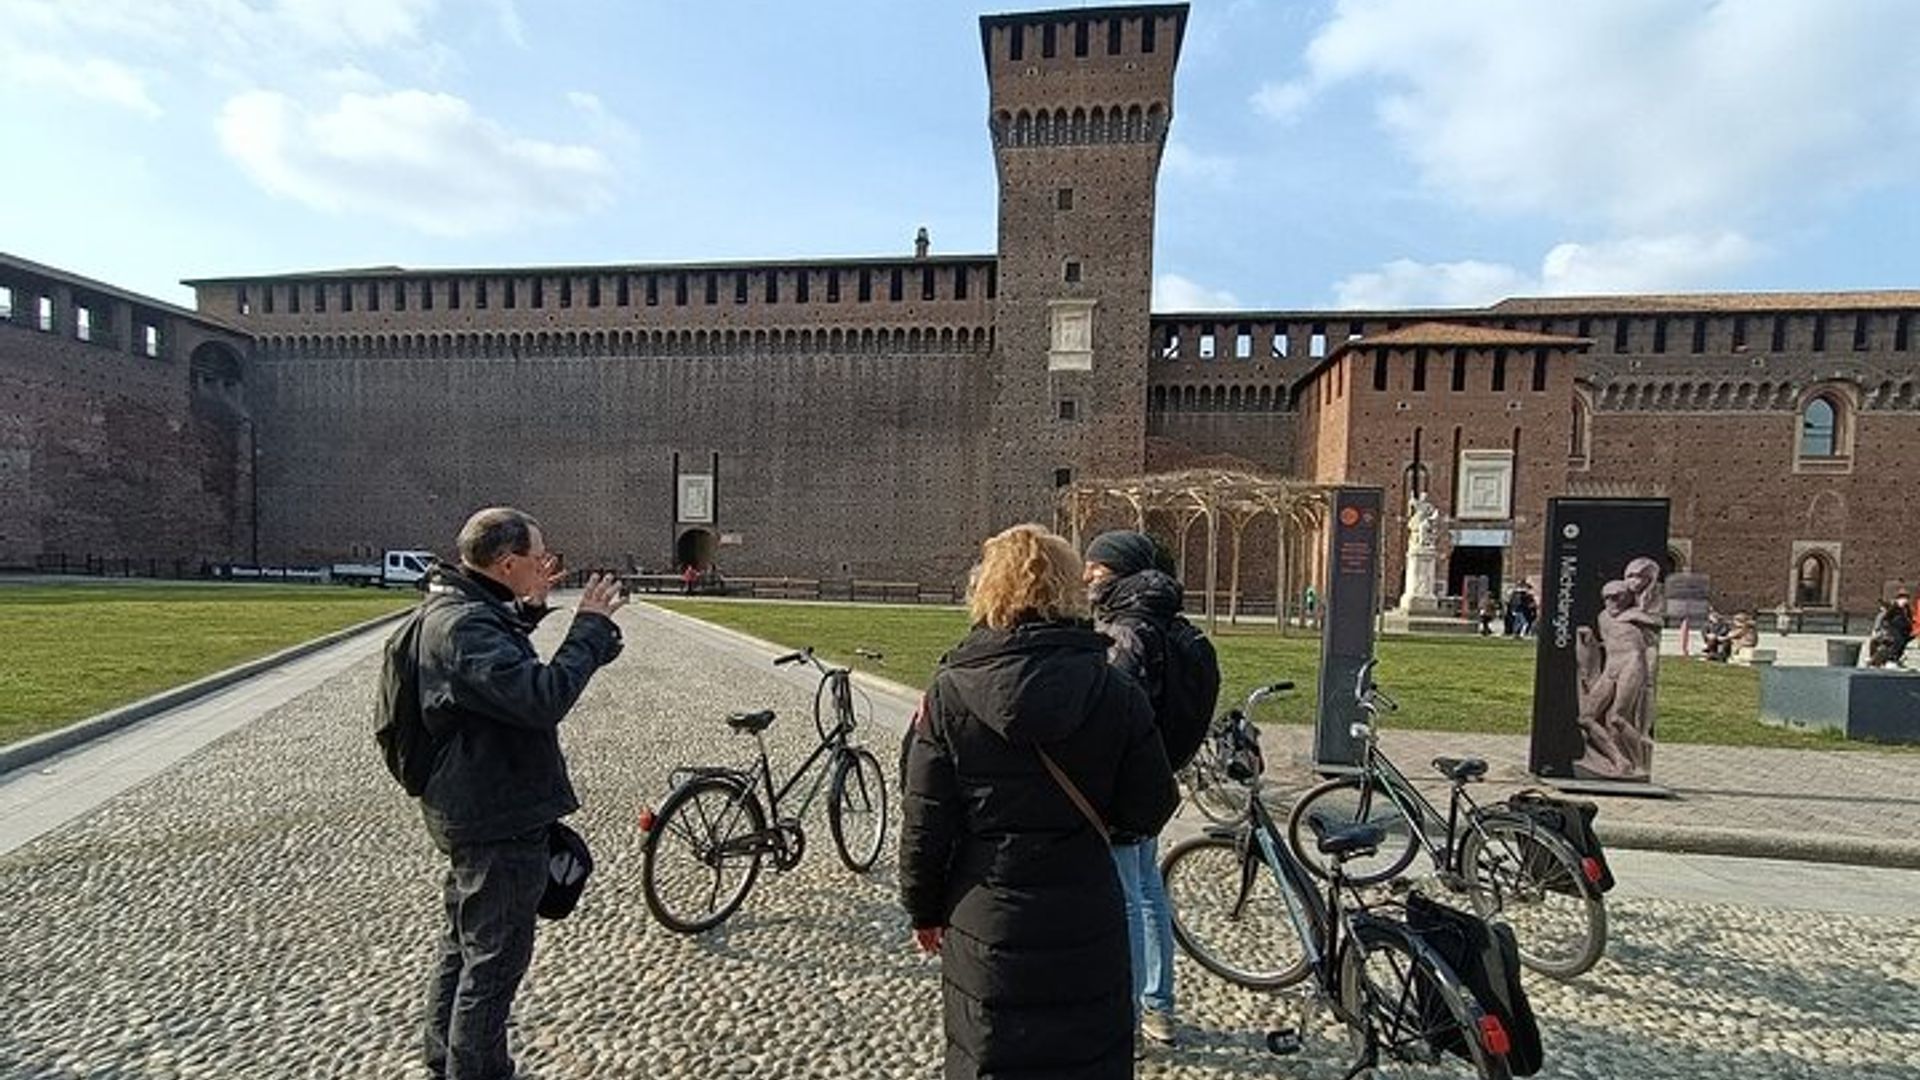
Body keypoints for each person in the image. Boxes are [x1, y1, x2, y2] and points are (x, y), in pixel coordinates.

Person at [900, 524, 1179, 1079]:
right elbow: (1150, 806)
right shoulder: (1113, 689)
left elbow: (926, 819)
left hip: (987, 914)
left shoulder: (950, 692)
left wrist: (923, 908)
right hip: (1085, 909)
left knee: (992, 1056)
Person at [410, 507, 627, 1080]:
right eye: (539, 557)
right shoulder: (464, 626)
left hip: (474, 806)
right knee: (493, 964)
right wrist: (590, 628)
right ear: (507, 563)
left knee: (464, 947)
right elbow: (541, 697)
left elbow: (491, 676)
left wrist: (528, 613)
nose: (546, 565)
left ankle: (445, 1059)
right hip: (495, 817)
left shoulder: (458, 607)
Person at [1083, 530, 1218, 1048]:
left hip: (1126, 783)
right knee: (1147, 891)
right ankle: (1159, 1005)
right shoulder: (1166, 618)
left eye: (1097, 567)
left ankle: (1133, 1019)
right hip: (1158, 775)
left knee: (1126, 898)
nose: (1088, 575)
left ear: (1120, 572)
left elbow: (1115, 714)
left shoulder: (1127, 630)